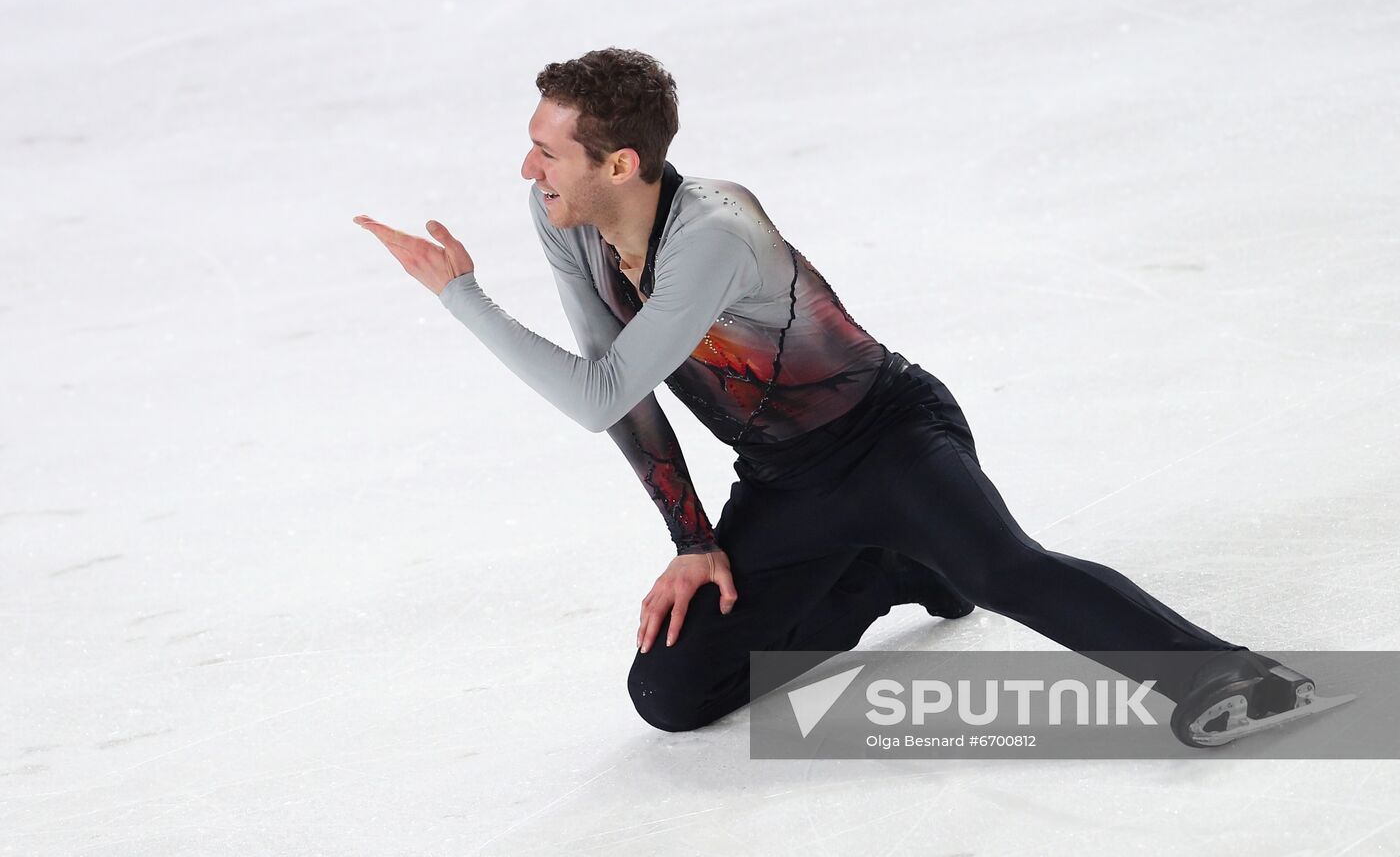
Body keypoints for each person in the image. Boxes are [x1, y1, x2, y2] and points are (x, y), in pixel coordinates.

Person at [355, 48, 1332, 749]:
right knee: (671, 689)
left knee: (1002, 568)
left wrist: (458, 296)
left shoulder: (712, 232)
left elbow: (598, 388)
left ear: (620, 163)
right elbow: (618, 388)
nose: (527, 169)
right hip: (784, 478)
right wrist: (692, 539)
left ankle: (1231, 675)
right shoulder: (560, 214)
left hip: (889, 438)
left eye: (546, 152)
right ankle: (887, 575)